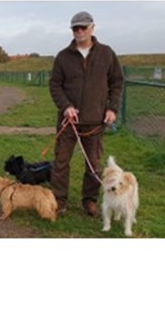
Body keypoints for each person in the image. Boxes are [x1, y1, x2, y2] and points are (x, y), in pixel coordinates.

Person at [48, 11, 124, 217]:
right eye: (75, 28)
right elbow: (55, 85)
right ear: (71, 30)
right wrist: (65, 106)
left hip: (95, 122)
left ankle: (89, 200)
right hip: (69, 122)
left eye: (83, 27)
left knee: (94, 164)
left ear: (92, 27)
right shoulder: (63, 57)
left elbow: (116, 82)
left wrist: (112, 108)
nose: (79, 31)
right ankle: (59, 200)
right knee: (61, 161)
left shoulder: (106, 53)